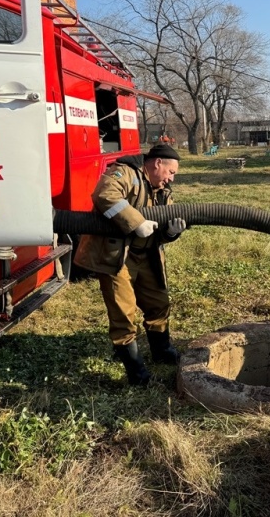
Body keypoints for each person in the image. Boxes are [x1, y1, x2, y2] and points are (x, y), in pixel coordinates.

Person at [74, 144, 186, 386]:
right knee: (124, 314)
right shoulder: (124, 172)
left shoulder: (163, 190)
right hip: (117, 258)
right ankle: (137, 374)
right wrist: (136, 222)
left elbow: (162, 228)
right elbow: (105, 196)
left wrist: (172, 232)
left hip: (148, 256)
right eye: (171, 172)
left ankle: (162, 353)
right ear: (157, 164)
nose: (171, 179)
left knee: (159, 304)